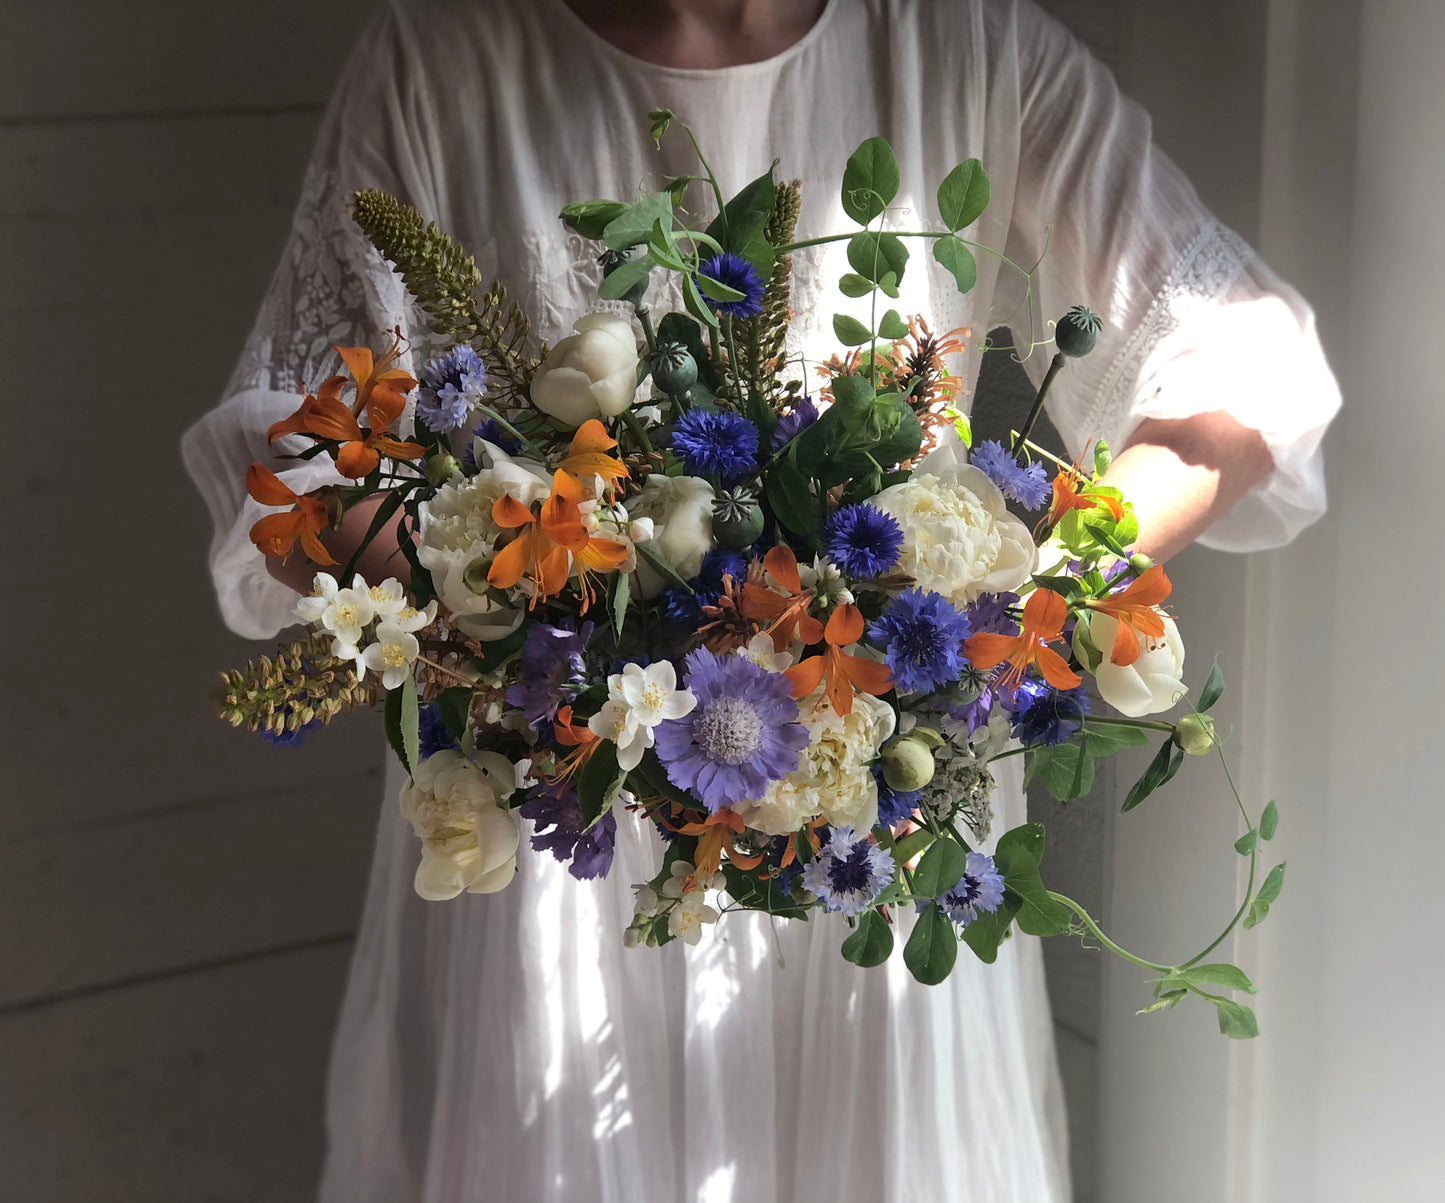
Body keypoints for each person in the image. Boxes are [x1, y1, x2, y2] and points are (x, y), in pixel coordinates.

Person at [182, 1, 1340, 1199]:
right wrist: (546, 603)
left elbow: (1244, 372)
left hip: (873, 828)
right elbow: (294, 457)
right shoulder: (442, 58)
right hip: (559, 828)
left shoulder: (970, 45)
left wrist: (1014, 590)